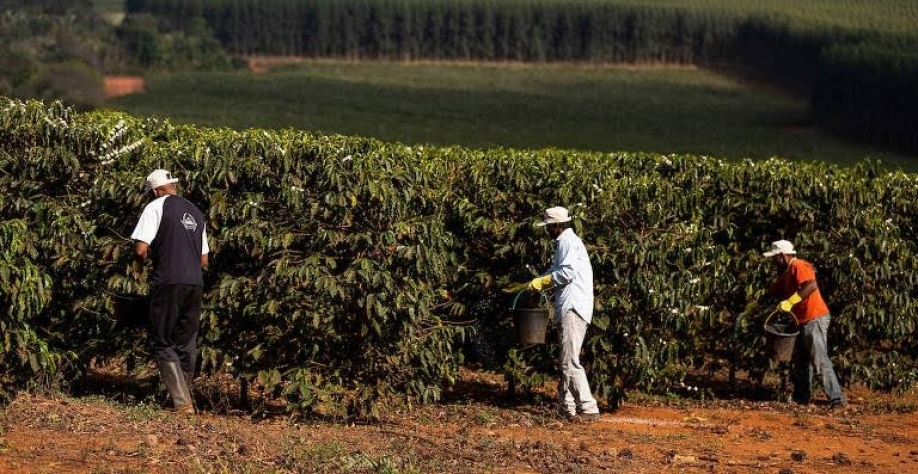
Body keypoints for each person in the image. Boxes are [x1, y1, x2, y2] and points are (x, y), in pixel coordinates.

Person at [504, 206, 600, 421]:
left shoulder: (567, 241)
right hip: (571, 307)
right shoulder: (567, 242)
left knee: (570, 361)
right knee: (566, 359)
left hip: (573, 307)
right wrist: (531, 283)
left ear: (556, 226)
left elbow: (566, 273)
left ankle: (588, 407)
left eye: (548, 227)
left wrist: (540, 282)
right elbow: (556, 271)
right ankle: (566, 407)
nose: (546, 231)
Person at [131, 169, 209, 414]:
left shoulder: (155, 207)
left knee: (161, 340)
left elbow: (140, 249)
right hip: (195, 282)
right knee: (186, 341)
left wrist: (140, 267)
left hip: (168, 279)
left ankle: (181, 403)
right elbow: (204, 260)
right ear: (172, 185)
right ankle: (186, 401)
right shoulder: (196, 212)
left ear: (154, 191)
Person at [756, 239, 847, 411]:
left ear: (782, 256)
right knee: (802, 361)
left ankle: (837, 400)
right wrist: (756, 304)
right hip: (803, 321)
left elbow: (811, 285)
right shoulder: (787, 273)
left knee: (819, 359)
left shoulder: (798, 266)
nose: (773, 262)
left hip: (814, 318)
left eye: (774, 257)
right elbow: (773, 291)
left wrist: (790, 302)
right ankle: (801, 398)